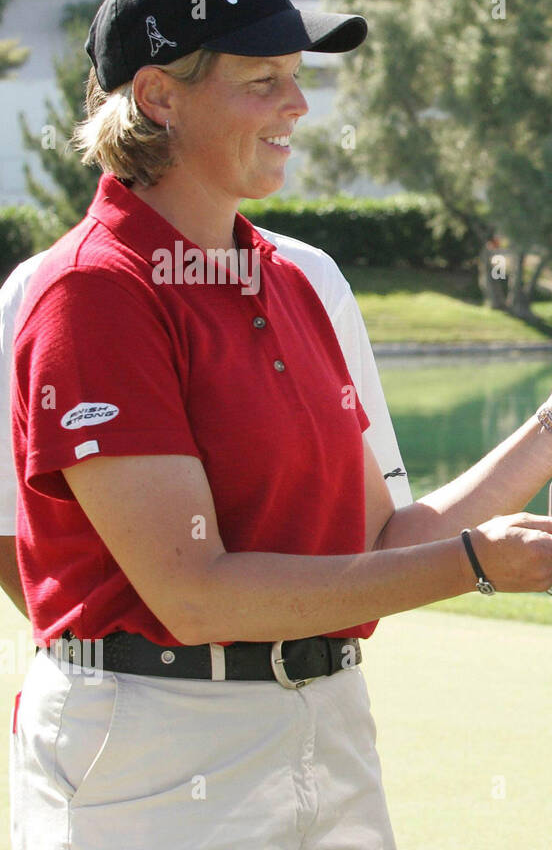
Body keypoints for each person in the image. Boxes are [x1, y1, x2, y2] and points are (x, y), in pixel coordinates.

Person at [8, 0, 552, 850]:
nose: (299, 106)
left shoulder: (290, 279)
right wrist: (478, 564)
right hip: (154, 748)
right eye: (263, 81)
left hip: (327, 719)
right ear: (158, 96)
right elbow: (191, 593)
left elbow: (379, 537)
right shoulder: (93, 294)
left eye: (299, 78)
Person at [0, 232, 413, 618]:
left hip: (323, 687)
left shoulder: (310, 273)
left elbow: (377, 536)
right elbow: (9, 534)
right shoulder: (53, 283)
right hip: (134, 689)